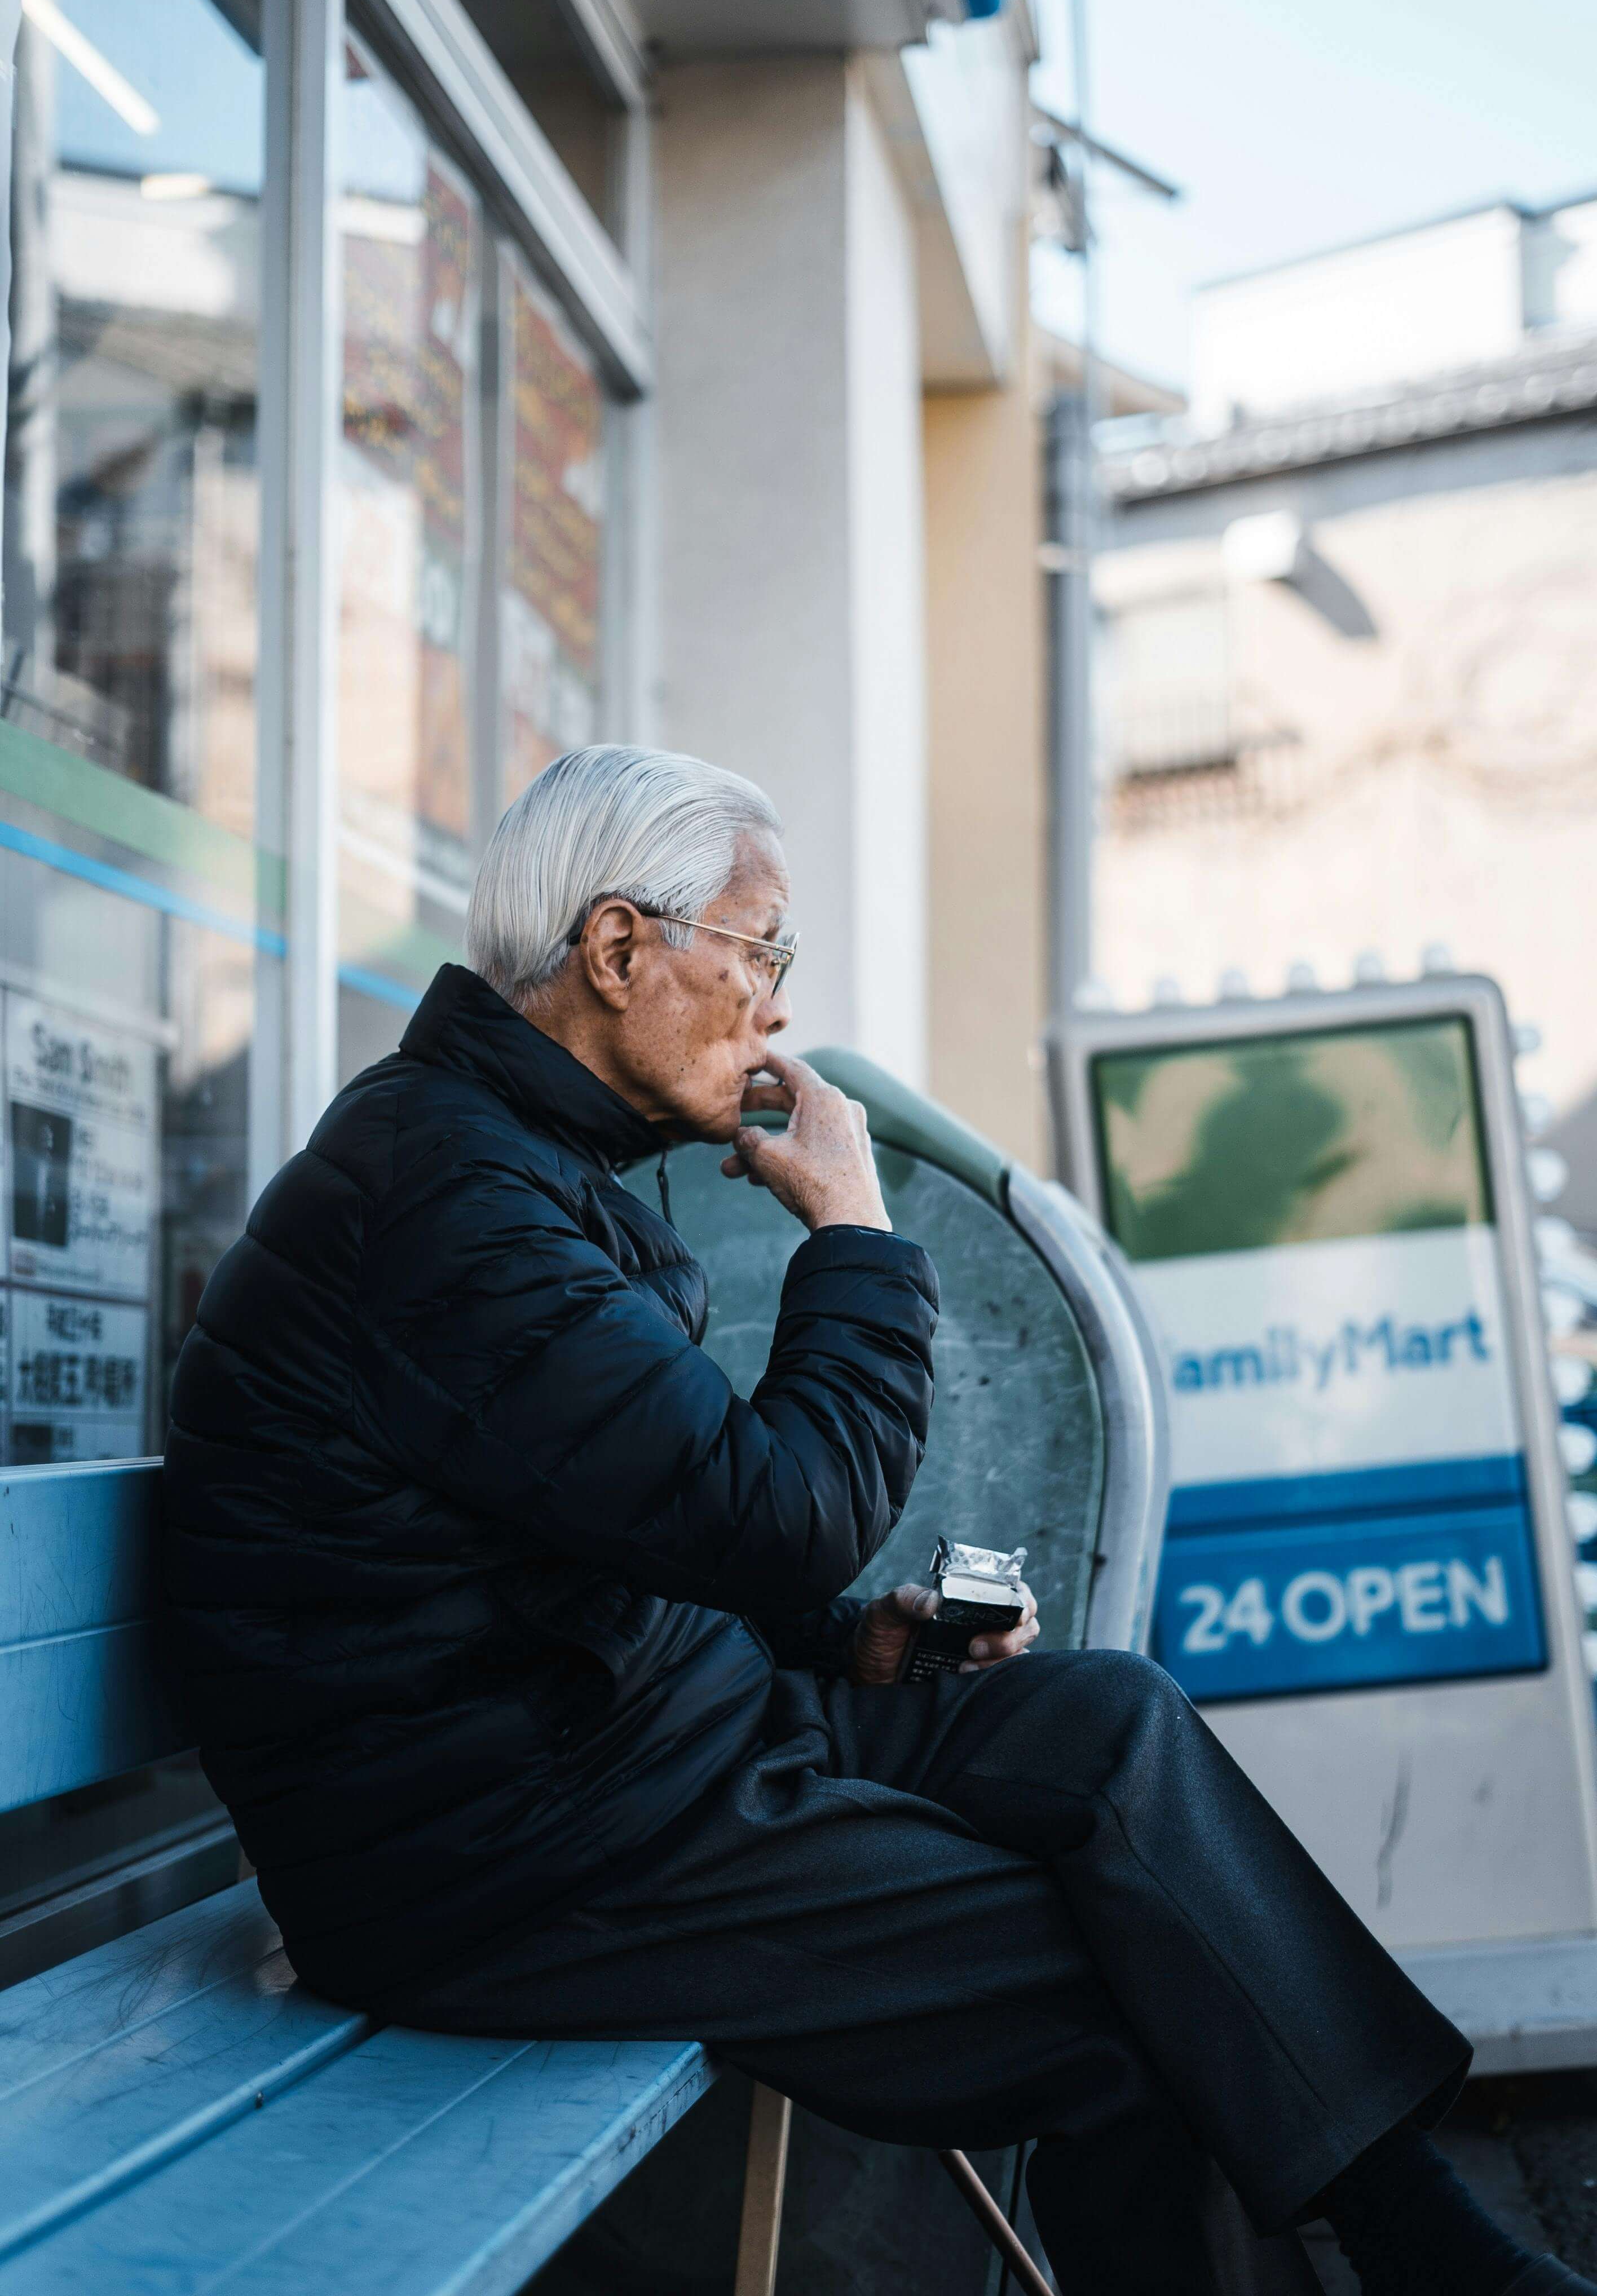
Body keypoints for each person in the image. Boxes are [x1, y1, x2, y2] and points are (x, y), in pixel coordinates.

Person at [164, 744, 1590, 2296]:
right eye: (761, 950)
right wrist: (855, 1227)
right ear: (621, 948)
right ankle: (1447, 2260)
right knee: (1125, 2008)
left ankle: (1426, 2241)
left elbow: (627, 1536)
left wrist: (866, 1646)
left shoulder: (501, 1161)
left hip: (633, 1762)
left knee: (1101, 1721)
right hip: (505, 1861)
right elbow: (780, 1518)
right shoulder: (454, 1204)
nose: (778, 1005)